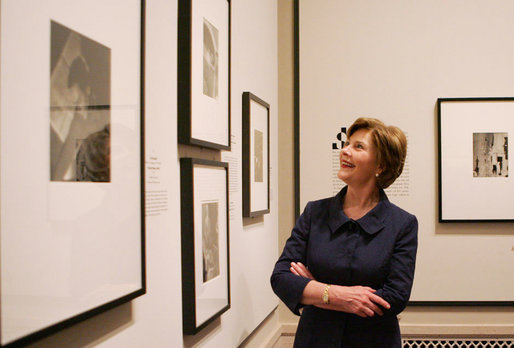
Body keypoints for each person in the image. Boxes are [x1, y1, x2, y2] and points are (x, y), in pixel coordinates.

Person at [270, 118, 418, 348]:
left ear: (380, 166)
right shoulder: (314, 212)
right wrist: (336, 295)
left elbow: (395, 297)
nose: (344, 151)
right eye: (347, 144)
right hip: (315, 341)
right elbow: (281, 277)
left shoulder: (402, 224)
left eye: (358, 147)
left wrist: (314, 289)